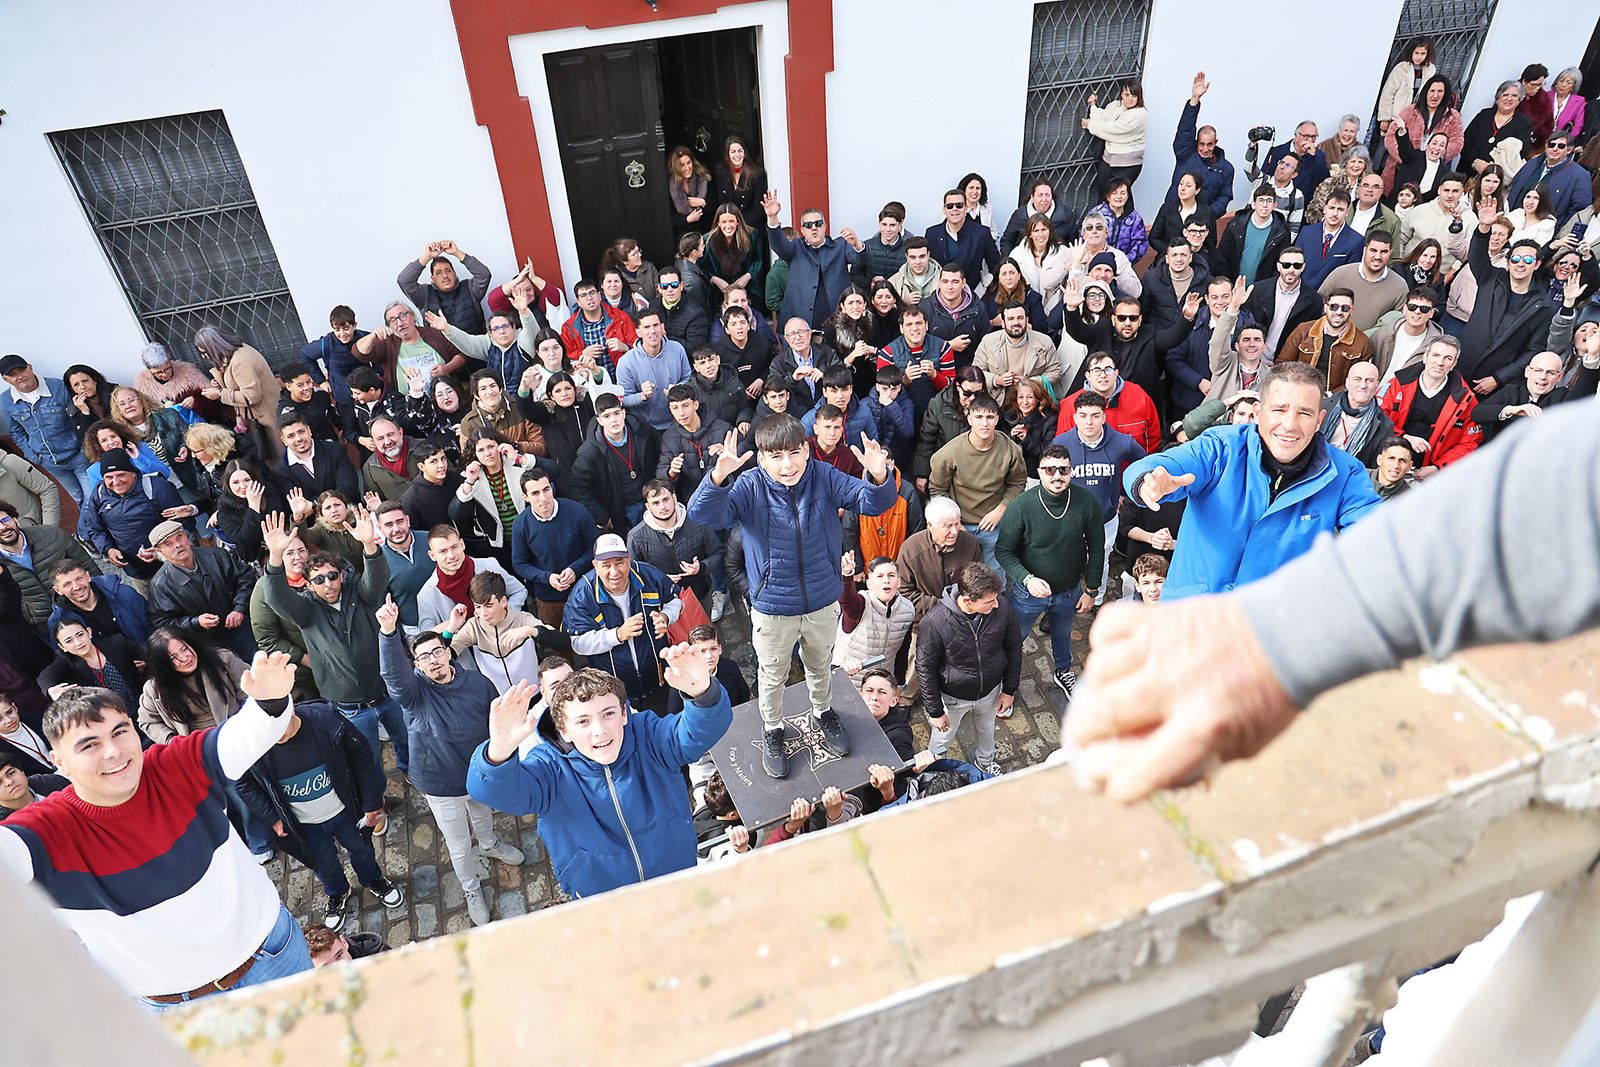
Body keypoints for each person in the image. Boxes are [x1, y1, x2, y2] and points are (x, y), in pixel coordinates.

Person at [0, 652, 316, 1008]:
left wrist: (270, 699)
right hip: (175, 1006)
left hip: (272, 957)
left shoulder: (174, 765)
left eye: (120, 732)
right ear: (59, 762)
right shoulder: (41, 833)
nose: (114, 752)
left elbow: (244, 737)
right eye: (89, 745)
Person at [689, 416, 894, 777]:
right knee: (772, 674)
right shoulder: (750, 485)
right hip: (773, 606)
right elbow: (704, 513)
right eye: (776, 456)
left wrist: (879, 477)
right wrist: (717, 479)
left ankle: (823, 711)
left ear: (807, 449)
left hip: (821, 599)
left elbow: (872, 502)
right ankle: (772, 729)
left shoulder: (823, 476)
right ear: (762, 458)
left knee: (820, 665)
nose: (788, 465)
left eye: (795, 453)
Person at [468, 639, 732, 899]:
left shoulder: (648, 735)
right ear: (564, 730)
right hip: (603, 897)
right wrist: (499, 751)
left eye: (608, 714)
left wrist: (703, 694)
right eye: (583, 721)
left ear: (624, 714)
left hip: (676, 876)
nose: (600, 730)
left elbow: (697, 731)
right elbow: (497, 792)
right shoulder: (549, 768)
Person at [1123, 362, 1379, 599]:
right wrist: (1149, 481)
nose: (1289, 424)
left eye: (1304, 413)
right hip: (1194, 616)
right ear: (1258, 412)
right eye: (1279, 409)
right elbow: (1169, 463)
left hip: (1268, 627)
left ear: (1319, 420)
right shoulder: (1221, 447)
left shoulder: (1344, 474)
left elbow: (1376, 531)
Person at [376, 596, 520, 927]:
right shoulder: (414, 695)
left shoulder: (476, 682)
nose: (432, 660)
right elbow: (394, 675)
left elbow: (496, 721)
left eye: (437, 651)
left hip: (478, 773)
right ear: (416, 665)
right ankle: (472, 889)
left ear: (448, 651)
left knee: (483, 817)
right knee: (458, 845)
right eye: (423, 656)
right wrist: (388, 632)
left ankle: (490, 843)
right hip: (440, 785)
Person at [261, 511, 410, 780]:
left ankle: (411, 771)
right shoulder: (305, 610)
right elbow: (275, 597)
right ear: (308, 584)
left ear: (341, 575)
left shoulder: (359, 594)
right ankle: (376, 800)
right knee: (366, 759)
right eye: (319, 580)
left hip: (386, 691)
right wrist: (275, 557)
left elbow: (376, 580)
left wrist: (369, 545)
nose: (328, 584)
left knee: (406, 739)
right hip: (349, 703)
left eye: (332, 576)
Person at [237, 693, 403, 930]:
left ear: (291, 709)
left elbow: (361, 758)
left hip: (345, 812)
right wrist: (271, 817)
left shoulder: (326, 721)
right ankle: (337, 892)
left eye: (279, 727)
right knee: (323, 864)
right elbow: (243, 782)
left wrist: (371, 802)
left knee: (362, 849)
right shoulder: (254, 742)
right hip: (303, 824)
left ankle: (373, 879)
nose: (275, 736)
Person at [996, 444, 1103, 695]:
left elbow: (1097, 547)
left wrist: (1092, 589)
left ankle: (1063, 670)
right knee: (1014, 638)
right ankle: (1004, 679)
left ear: (1071, 472)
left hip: (1068, 590)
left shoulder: (1086, 502)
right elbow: (1003, 551)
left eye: (1063, 470)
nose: (1057, 475)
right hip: (1027, 594)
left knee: (1063, 634)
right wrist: (1027, 578)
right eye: (1050, 469)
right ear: (1040, 472)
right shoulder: (1022, 506)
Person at [916, 562, 1019, 778]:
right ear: (967, 601)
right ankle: (934, 772)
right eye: (989, 601)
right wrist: (935, 711)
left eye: (996, 598)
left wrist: (1009, 689)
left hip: (990, 691)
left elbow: (1014, 647)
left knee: (987, 730)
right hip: (953, 698)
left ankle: (985, 762)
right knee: (942, 738)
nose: (996, 605)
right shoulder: (934, 622)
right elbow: (925, 667)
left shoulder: (1002, 607)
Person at [562, 533, 681, 716]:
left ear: (629, 559)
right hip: (613, 690)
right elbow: (578, 643)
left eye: (619, 562)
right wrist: (617, 635)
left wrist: (666, 616)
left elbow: (676, 600)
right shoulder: (582, 596)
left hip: (658, 679)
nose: (614, 572)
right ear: (595, 565)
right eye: (606, 565)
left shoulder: (648, 575)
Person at [1052, 392, 1145, 604]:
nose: (1089, 421)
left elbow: (1142, 466)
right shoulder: (1061, 443)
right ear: (1075, 417)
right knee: (1067, 560)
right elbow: (1050, 478)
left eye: (1095, 415)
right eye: (1083, 415)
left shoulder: (1123, 443)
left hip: (1106, 518)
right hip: (1069, 518)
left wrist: (1125, 493)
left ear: (1104, 417)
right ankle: (1065, 600)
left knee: (1100, 560)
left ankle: (1097, 599)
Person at [1458, 202, 1557, 396]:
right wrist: (1484, 228)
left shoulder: (1543, 306)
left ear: (1536, 264)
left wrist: (1498, 378)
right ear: (1508, 262)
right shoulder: (1491, 278)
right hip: (1460, 365)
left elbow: (1532, 351)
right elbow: (1477, 255)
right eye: (1516, 259)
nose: (1521, 264)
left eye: (1528, 260)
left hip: (1490, 382)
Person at [927, 391, 1026, 583]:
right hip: (960, 524)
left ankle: (995, 611)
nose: (984, 423)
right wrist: (955, 524)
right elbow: (938, 490)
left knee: (995, 578)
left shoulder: (1010, 449)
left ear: (997, 419)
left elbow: (1017, 484)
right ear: (969, 417)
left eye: (990, 417)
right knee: (961, 578)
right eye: (979, 417)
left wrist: (1001, 509)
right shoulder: (949, 453)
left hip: (994, 523)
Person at [78, 448, 194, 587]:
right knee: (151, 607)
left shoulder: (156, 487)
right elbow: (95, 528)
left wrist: (161, 554)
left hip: (172, 566)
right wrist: (108, 549)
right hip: (136, 571)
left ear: (133, 473)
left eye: (121, 475)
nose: (115, 482)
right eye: (109, 477)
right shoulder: (99, 494)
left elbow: (183, 523)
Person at [146, 519, 255, 658]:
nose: (178, 545)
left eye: (179, 537)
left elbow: (245, 578)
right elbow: (163, 623)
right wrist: (195, 622)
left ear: (187, 536)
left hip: (240, 629)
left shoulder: (215, 555)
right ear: (159, 551)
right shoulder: (160, 585)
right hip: (205, 644)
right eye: (169, 544)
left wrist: (239, 609)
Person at [0, 354, 95, 505]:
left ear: (30, 368)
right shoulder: (5, 400)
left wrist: (84, 449)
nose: (19, 376)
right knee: (78, 497)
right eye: (12, 374)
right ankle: (94, 528)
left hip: (78, 455)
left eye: (21, 370)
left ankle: (91, 529)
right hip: (49, 461)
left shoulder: (57, 387)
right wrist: (33, 456)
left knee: (92, 497)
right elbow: (16, 432)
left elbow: (76, 418)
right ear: (6, 379)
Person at [510, 468, 599, 628]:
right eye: (535, 493)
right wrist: (547, 577)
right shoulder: (520, 524)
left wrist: (574, 569)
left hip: (586, 588)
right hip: (549, 598)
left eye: (546, 489)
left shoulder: (577, 511)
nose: (543, 498)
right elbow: (520, 564)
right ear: (525, 497)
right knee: (559, 643)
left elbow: (596, 548)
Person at [763, 191, 861, 328]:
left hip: (837, 323)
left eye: (818, 223)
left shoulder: (841, 245)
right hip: (802, 324)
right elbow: (778, 244)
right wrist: (773, 218)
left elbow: (861, 260)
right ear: (802, 230)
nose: (814, 228)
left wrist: (857, 244)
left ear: (825, 226)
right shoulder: (796, 247)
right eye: (808, 225)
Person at [0, 499, 97, 630]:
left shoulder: (52, 535)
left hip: (85, 610)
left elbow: (89, 568)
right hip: (45, 627)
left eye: (5, 520)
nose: (3, 528)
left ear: (16, 520)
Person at [628, 479, 722, 613]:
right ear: (648, 507)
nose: (662, 507)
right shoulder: (636, 537)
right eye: (656, 503)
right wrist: (658, 580)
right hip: (664, 604)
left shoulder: (697, 522)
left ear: (674, 498)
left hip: (700, 594)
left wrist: (701, 567)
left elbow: (718, 553)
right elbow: (633, 573)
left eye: (665, 500)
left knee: (705, 631)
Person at [450, 431, 544, 567]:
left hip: (530, 536)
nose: (487, 453)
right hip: (498, 544)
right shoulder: (470, 477)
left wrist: (519, 458)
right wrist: (469, 482)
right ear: (475, 454)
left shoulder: (516, 465)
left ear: (500, 446)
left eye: (491, 446)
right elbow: (456, 515)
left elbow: (555, 471)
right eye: (481, 450)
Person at [570, 393, 659, 533]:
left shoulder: (640, 429)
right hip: (622, 509)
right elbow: (578, 488)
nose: (613, 420)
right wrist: (601, 517)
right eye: (606, 416)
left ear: (623, 413)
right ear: (599, 420)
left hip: (651, 498)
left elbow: (660, 449)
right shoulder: (590, 452)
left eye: (616, 413)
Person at [415, 523, 527, 634]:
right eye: (443, 551)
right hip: (463, 649)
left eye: (454, 547)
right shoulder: (426, 595)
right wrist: (449, 627)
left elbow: (519, 591)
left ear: (462, 544)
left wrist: (504, 616)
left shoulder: (490, 565)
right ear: (432, 555)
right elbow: (427, 636)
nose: (451, 555)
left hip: (505, 640)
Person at [1058, 352, 1161, 454]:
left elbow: (1153, 438)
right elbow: (1062, 448)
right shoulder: (1070, 405)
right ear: (1087, 375)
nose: (1103, 375)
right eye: (1096, 370)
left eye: (1108, 370)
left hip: (1133, 468)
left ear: (1116, 373)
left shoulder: (1139, 396)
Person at [40, 614, 146, 707]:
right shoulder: (67, 662)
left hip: (141, 703)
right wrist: (51, 691)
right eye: (69, 641)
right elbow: (45, 677)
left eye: (80, 635)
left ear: (89, 632)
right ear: (62, 647)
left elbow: (148, 654)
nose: (78, 643)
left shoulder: (116, 643)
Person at [1167, 71, 1234, 216]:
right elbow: (1185, 130)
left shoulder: (1226, 168)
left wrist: (1207, 214)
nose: (1205, 149)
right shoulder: (1185, 156)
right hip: (1174, 215)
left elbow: (1224, 196)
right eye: (1201, 144)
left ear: (1216, 143)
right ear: (1197, 143)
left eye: (1209, 144)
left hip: (1202, 225)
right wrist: (1194, 99)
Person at [1279, 286, 1373, 387]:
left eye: (1345, 308)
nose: (1338, 312)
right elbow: (1282, 364)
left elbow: (1359, 380)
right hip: (1298, 391)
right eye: (1334, 307)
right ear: (1325, 307)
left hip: (1335, 399)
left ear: (1352, 311)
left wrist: (1331, 395)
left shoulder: (1362, 342)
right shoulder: (1303, 330)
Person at [1319, 230, 1408, 335]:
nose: (1378, 256)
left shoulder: (1399, 286)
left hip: (1371, 347)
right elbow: (1319, 303)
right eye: (1373, 250)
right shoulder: (1340, 274)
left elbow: (1397, 323)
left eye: (1384, 252)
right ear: (1365, 250)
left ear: (1390, 253)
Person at [397, 240, 492, 335]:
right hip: (442, 349)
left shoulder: (470, 288)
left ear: (455, 275)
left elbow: (484, 275)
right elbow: (404, 281)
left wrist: (457, 253)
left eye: (448, 271)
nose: (445, 276)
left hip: (474, 347)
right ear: (432, 279)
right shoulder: (424, 295)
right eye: (438, 273)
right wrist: (427, 257)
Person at [47, 558, 150, 647]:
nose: (76, 587)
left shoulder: (124, 594)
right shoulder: (58, 622)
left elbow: (151, 626)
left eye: (79, 578)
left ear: (88, 576)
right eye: (67, 584)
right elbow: (72, 661)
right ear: (58, 590)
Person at [973, 304, 1062, 400]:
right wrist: (996, 380)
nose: (1016, 322)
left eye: (1020, 318)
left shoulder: (1044, 342)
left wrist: (1031, 382)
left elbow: (1056, 371)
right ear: (1003, 323)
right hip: (997, 401)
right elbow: (976, 372)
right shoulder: (988, 341)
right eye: (1011, 319)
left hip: (1032, 400)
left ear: (1027, 320)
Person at [923, 188, 1001, 295]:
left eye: (959, 205)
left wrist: (985, 289)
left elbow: (996, 266)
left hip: (972, 295)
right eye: (950, 206)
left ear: (966, 208)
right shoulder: (932, 234)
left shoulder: (981, 233)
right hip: (940, 296)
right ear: (944, 210)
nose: (954, 209)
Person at [1509, 131, 1591, 230]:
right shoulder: (1531, 164)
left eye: (1561, 146)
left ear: (1569, 150)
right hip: (1513, 223)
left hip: (1544, 232)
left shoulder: (1580, 175)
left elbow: (1579, 211)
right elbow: (1514, 187)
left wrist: (1557, 232)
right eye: (1551, 145)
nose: (1555, 149)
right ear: (1546, 146)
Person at [273, 413, 359, 503]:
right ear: (284, 440)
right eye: (291, 436)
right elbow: (296, 503)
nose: (298, 439)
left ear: (309, 431)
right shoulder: (281, 470)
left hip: (346, 509)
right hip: (312, 516)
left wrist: (313, 504)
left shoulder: (335, 451)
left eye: (301, 432)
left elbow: (349, 488)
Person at [1214, 185, 1292, 285]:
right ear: (1253, 204)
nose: (1265, 205)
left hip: (1262, 288)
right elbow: (1223, 255)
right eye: (1261, 200)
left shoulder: (1282, 232)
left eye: (1269, 201)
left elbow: (1280, 264)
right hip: (1233, 284)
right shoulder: (1236, 224)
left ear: (1274, 205)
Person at [558, 277, 637, 373]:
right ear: (578, 302)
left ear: (599, 296)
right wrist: (582, 354)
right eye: (583, 295)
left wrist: (625, 347)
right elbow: (565, 357)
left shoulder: (620, 317)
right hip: (590, 380)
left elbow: (638, 345)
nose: (589, 298)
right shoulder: (569, 327)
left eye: (592, 293)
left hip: (622, 374)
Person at [1319, 361, 1387, 465]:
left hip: (1351, 476)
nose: (1363, 385)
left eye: (1369, 380)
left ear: (1377, 385)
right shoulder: (1322, 407)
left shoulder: (1384, 425)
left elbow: (1375, 467)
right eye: (1357, 379)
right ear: (1347, 382)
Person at [1083, 79, 1148, 188]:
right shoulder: (1116, 106)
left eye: (1134, 95)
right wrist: (1093, 106)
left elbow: (1114, 129)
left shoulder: (1140, 114)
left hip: (1128, 165)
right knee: (1104, 194)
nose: (1130, 99)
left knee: (1120, 197)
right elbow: (1104, 117)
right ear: (1121, 94)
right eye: (1127, 95)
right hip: (1108, 160)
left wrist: (1090, 124)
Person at [298, 305, 367, 407]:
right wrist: (321, 381)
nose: (342, 334)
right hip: (343, 398)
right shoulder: (327, 344)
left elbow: (379, 355)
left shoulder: (364, 338)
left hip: (366, 393)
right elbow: (304, 354)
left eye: (346, 328)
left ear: (354, 325)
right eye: (337, 330)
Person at [1295, 191, 1364, 290]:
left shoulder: (1356, 241)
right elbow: (1295, 262)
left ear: (1347, 212)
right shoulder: (1306, 232)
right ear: (1325, 209)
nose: (1335, 213)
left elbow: (1348, 277)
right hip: (1301, 292)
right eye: (1331, 208)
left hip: (1331, 297)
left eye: (1340, 209)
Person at [302, 924, 390, 967]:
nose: (342, 967)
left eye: (339, 955)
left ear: (344, 942)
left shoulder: (381, 957)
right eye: (327, 968)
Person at [889, 236, 942, 307]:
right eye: (913, 257)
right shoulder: (894, 282)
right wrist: (902, 302)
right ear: (906, 257)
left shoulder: (942, 279)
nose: (918, 262)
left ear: (928, 255)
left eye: (922, 256)